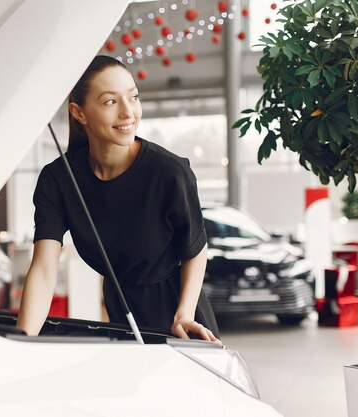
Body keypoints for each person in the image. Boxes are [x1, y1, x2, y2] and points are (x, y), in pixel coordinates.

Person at [17, 55, 220, 342]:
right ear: (79, 113)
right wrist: (23, 341)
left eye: (133, 97)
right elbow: (44, 269)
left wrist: (184, 313)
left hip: (181, 321)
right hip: (120, 316)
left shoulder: (170, 173)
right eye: (110, 102)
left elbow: (195, 249)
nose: (128, 113)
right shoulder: (59, 180)